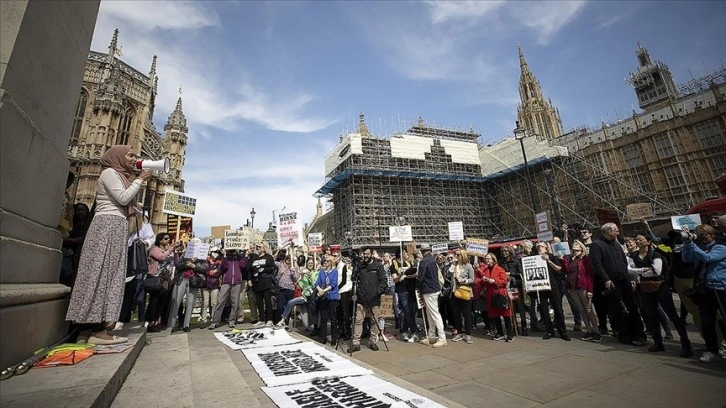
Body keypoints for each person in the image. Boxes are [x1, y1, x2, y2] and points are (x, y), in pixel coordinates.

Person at [65, 145, 150, 345]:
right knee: (104, 273)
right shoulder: (110, 173)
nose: (133, 158)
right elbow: (122, 197)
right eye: (130, 155)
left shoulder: (118, 175)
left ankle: (93, 327)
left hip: (114, 225)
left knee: (107, 273)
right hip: (109, 226)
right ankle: (97, 329)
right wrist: (139, 180)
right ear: (118, 156)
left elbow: (124, 201)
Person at [628, 235, 692, 357]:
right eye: (636, 239)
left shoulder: (655, 254)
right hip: (645, 288)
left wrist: (639, 271)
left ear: (648, 241)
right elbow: (629, 270)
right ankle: (658, 343)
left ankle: (686, 344)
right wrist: (644, 270)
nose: (638, 241)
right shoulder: (633, 256)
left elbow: (656, 271)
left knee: (672, 315)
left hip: (661, 287)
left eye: (641, 239)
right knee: (652, 316)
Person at [590, 223, 647, 346]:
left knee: (632, 307)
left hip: (624, 279)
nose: (618, 233)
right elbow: (597, 263)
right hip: (611, 282)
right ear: (609, 231)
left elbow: (622, 260)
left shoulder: (617, 244)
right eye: (615, 231)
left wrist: (629, 277)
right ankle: (624, 334)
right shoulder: (597, 245)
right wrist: (606, 278)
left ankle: (640, 334)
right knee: (616, 309)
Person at [682, 224, 726, 363]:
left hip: (720, 289)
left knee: (724, 320)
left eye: (704, 235)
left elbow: (708, 258)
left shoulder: (721, 248)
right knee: (707, 322)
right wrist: (688, 242)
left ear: (712, 235)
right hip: (705, 290)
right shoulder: (698, 247)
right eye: (699, 235)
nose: (702, 238)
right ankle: (711, 349)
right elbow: (686, 258)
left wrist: (693, 246)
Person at [348, 248, 389, 353]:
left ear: (371, 254)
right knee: (358, 321)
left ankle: (373, 341)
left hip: (374, 299)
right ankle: (356, 343)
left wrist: (377, 292)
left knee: (374, 321)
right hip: (361, 299)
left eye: (367, 254)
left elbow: (384, 281)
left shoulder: (378, 266)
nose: (365, 256)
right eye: (364, 254)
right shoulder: (360, 266)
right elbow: (354, 281)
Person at [564, 240, 601, 342]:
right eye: (573, 244)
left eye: (576, 244)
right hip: (572, 288)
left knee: (589, 310)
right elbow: (566, 270)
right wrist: (563, 260)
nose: (574, 245)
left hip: (583, 287)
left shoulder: (585, 259)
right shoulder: (571, 259)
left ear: (581, 247)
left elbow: (589, 275)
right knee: (581, 310)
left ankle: (596, 331)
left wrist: (590, 289)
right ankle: (588, 330)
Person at [416, 244, 448, 348]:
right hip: (433, 288)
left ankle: (442, 338)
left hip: (429, 290)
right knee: (430, 314)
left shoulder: (424, 261)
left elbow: (420, 277)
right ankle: (431, 336)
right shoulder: (432, 260)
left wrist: (417, 287)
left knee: (434, 314)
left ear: (422, 251)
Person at [170, 250, 208, 332]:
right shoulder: (184, 254)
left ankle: (186, 325)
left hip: (194, 281)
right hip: (181, 280)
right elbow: (178, 265)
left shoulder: (202, 256)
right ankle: (171, 325)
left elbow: (205, 268)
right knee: (176, 302)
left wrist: (194, 265)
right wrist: (187, 263)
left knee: (190, 303)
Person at [480, 253, 514, 342]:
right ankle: (500, 333)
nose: (487, 260)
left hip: (500, 294)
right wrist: (484, 280)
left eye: (488, 258)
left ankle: (510, 334)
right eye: (486, 259)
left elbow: (504, 281)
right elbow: (482, 281)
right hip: (490, 294)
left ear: (493, 259)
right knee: (495, 315)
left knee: (506, 315)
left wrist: (494, 281)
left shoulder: (499, 269)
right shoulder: (486, 269)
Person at [208, 249, 245, 330]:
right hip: (226, 282)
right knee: (220, 301)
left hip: (236, 282)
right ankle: (215, 321)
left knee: (235, 303)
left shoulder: (239, 257)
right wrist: (225, 256)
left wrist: (242, 254)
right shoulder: (225, 257)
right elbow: (224, 267)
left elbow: (243, 266)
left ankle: (232, 320)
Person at [146, 233, 176, 332]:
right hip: (156, 277)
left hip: (166, 280)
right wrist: (170, 250)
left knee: (161, 302)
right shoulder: (154, 250)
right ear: (160, 240)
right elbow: (161, 257)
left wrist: (175, 252)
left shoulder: (169, 251)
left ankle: (156, 322)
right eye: (166, 238)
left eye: (169, 238)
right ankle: (149, 323)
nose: (168, 240)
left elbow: (175, 261)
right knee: (154, 301)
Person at [277, 258, 318, 330]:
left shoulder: (316, 273)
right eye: (308, 263)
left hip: (312, 296)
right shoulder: (304, 273)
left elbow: (315, 285)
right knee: (290, 302)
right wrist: (301, 277)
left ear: (314, 264)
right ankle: (283, 319)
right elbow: (300, 285)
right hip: (305, 296)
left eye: (311, 263)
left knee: (311, 312)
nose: (310, 265)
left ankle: (313, 327)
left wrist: (310, 278)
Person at [450, 250, 475, 344]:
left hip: (465, 292)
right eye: (455, 255)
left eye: (458, 255)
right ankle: (459, 333)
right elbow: (448, 275)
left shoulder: (468, 266)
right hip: (455, 292)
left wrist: (464, 280)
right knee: (456, 314)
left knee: (466, 313)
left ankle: (468, 334)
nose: (456, 256)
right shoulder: (454, 266)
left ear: (463, 255)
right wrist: (452, 265)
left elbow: (472, 279)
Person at [249, 243, 277, 328]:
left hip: (266, 282)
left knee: (267, 301)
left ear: (264, 248)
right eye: (257, 247)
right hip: (257, 282)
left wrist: (264, 269)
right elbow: (250, 269)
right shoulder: (254, 258)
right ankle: (261, 319)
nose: (257, 248)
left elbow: (273, 268)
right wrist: (249, 279)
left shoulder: (269, 257)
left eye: (259, 247)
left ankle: (269, 319)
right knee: (259, 302)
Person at [392, 252, 417, 342]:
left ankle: (405, 331)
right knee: (407, 310)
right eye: (405, 252)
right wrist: (400, 275)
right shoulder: (394, 264)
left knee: (409, 311)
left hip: (410, 290)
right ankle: (414, 331)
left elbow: (413, 275)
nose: (407, 254)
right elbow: (395, 279)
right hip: (402, 291)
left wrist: (408, 275)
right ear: (400, 253)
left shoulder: (408, 263)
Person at [314, 257, 339, 345]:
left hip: (332, 296)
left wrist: (324, 291)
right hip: (323, 297)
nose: (326, 262)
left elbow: (333, 284)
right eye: (325, 261)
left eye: (328, 261)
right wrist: (319, 289)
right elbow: (317, 283)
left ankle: (334, 338)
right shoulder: (321, 272)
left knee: (332, 318)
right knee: (323, 318)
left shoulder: (334, 272)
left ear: (331, 262)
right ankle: (323, 337)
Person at [200, 248, 223, 326]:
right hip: (205, 284)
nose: (216, 253)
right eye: (215, 252)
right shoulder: (205, 261)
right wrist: (212, 272)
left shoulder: (219, 263)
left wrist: (210, 272)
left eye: (217, 252)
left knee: (214, 303)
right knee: (205, 303)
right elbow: (204, 270)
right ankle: (203, 320)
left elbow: (219, 273)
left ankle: (214, 319)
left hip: (215, 284)